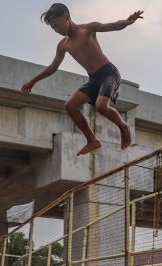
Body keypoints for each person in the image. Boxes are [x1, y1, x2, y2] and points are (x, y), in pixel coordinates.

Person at [21, 3, 143, 156]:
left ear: (67, 17)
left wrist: (127, 22)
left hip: (109, 74)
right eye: (54, 28)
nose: (57, 30)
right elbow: (53, 67)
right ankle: (92, 140)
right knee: (70, 105)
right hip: (94, 79)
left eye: (58, 25)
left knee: (101, 106)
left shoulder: (88, 29)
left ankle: (123, 127)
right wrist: (33, 81)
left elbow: (113, 26)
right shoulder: (63, 45)